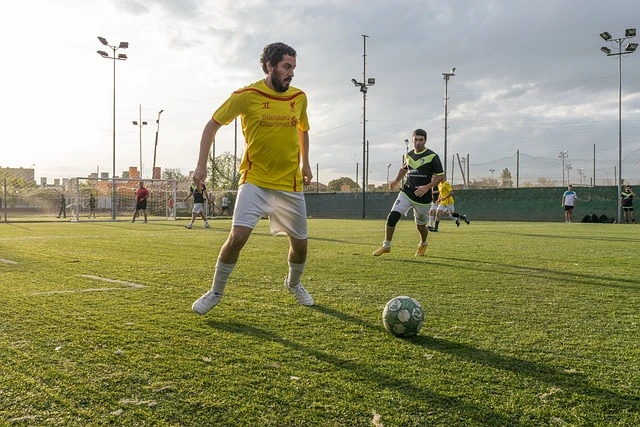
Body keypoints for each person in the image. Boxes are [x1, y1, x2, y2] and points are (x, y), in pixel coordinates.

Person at [191, 42, 314, 315]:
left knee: (301, 245)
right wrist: (201, 165)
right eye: (286, 67)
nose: (291, 73)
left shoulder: (299, 97)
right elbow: (212, 125)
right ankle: (215, 292)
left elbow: (303, 129)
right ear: (269, 65)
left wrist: (305, 163)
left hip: (290, 184)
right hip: (255, 181)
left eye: (293, 68)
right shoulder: (246, 95)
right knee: (237, 236)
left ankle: (293, 284)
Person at [373, 128, 444, 257]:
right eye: (415, 140)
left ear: (425, 140)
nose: (418, 142)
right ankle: (386, 245)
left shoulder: (433, 157)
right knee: (392, 216)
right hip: (407, 192)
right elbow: (404, 168)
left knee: (421, 226)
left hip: (423, 198)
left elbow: (440, 177)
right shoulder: (409, 155)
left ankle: (423, 243)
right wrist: (395, 181)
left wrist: (427, 187)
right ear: (412, 140)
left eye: (420, 140)